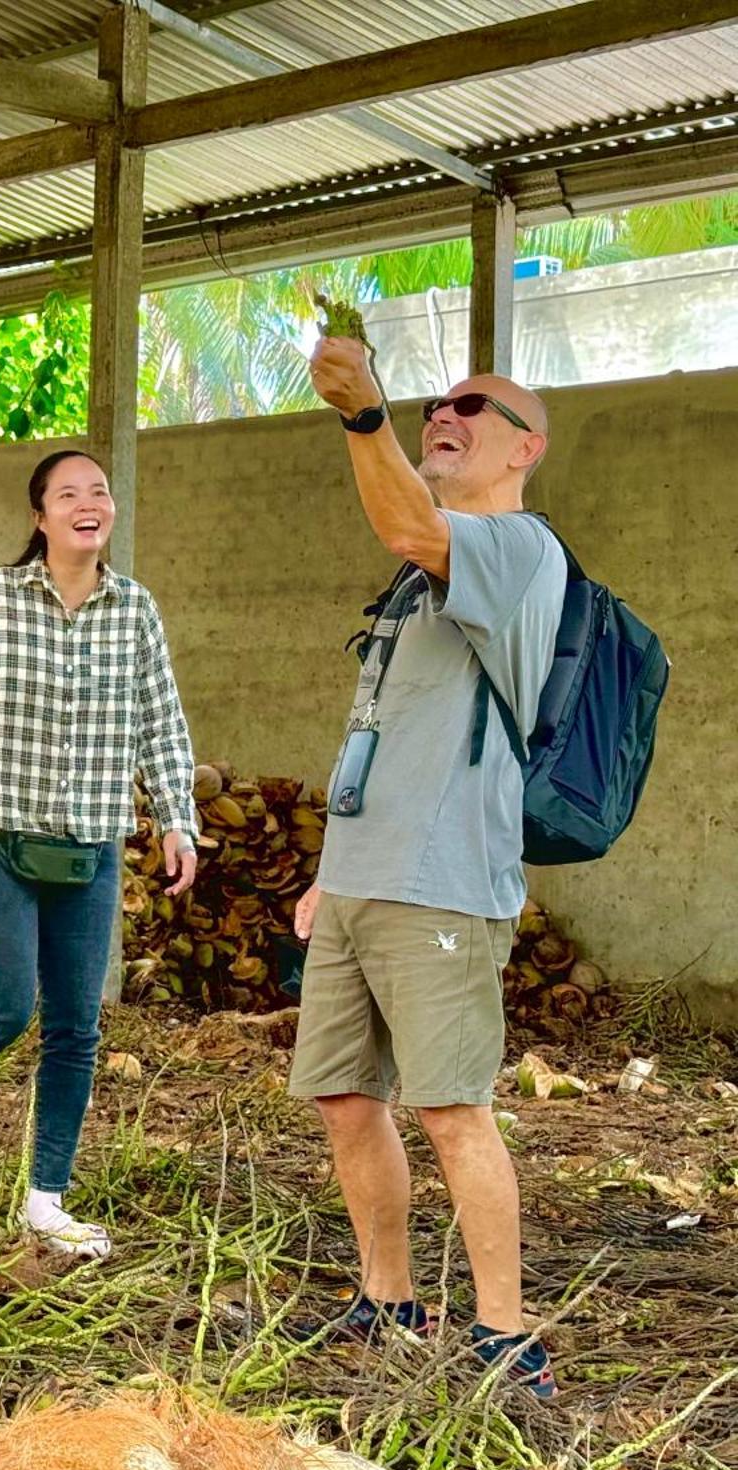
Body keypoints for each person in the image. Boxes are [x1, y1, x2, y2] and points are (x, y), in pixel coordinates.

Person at [293, 337, 563, 1398]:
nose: (441, 414)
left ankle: (503, 1336)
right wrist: (326, 868)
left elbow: (405, 513)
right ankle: (389, 1300)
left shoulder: (514, 548)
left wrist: (363, 418)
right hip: (361, 878)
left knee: (450, 1108)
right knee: (346, 1098)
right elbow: (374, 729)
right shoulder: (412, 584)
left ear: (523, 448)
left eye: (472, 407)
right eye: (431, 405)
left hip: (442, 881)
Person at [0, 450, 198, 1261]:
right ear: (40, 517)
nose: (88, 503)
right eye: (69, 494)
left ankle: (47, 1199)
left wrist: (177, 819)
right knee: (4, 1009)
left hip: (88, 847)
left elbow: (160, 722)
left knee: (75, 1027)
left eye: (99, 491)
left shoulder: (135, 609)